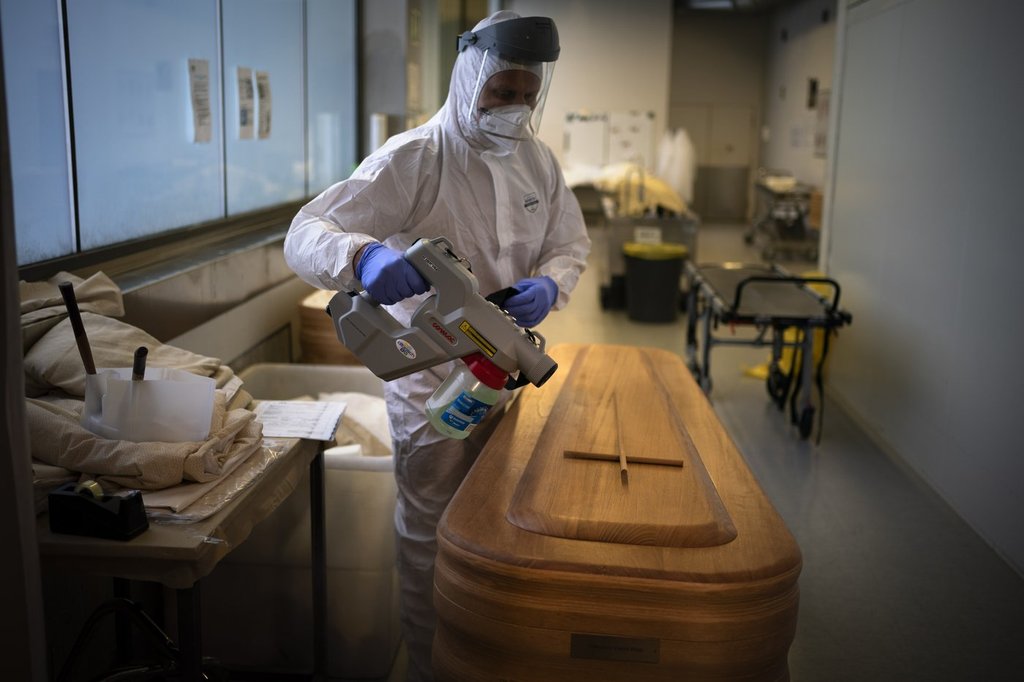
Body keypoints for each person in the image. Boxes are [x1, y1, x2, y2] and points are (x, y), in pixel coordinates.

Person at [284, 10, 590, 680]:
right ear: (470, 76)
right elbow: (306, 231)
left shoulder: (536, 161)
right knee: (428, 536)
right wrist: (363, 257)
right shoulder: (416, 158)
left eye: (526, 96)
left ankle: (488, 653)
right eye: (501, 92)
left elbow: (571, 244)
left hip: (503, 376)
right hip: (430, 385)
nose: (513, 109)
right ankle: (431, 667)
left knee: (498, 524)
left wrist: (549, 283)